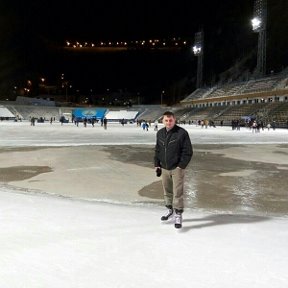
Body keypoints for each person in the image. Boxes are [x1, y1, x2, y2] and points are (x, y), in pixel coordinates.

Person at [154, 111, 193, 229]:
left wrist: (181, 166)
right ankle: (170, 210)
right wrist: (157, 164)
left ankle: (178, 214)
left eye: (171, 120)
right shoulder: (160, 133)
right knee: (167, 191)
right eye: (166, 120)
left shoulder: (182, 133)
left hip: (177, 168)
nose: (168, 122)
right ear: (163, 121)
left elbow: (188, 152)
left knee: (178, 192)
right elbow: (157, 150)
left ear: (174, 120)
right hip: (164, 168)